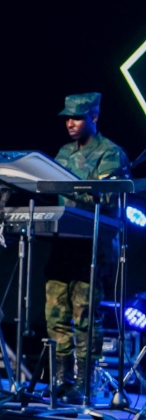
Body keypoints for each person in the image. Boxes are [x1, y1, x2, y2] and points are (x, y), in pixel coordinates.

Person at [45, 93, 128, 404]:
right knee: (56, 314)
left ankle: (84, 382)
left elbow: (104, 199)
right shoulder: (63, 152)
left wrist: (66, 188)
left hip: (92, 248)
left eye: (77, 118)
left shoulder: (110, 153)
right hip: (62, 245)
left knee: (84, 317)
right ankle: (60, 379)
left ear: (94, 118)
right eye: (67, 118)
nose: (70, 123)